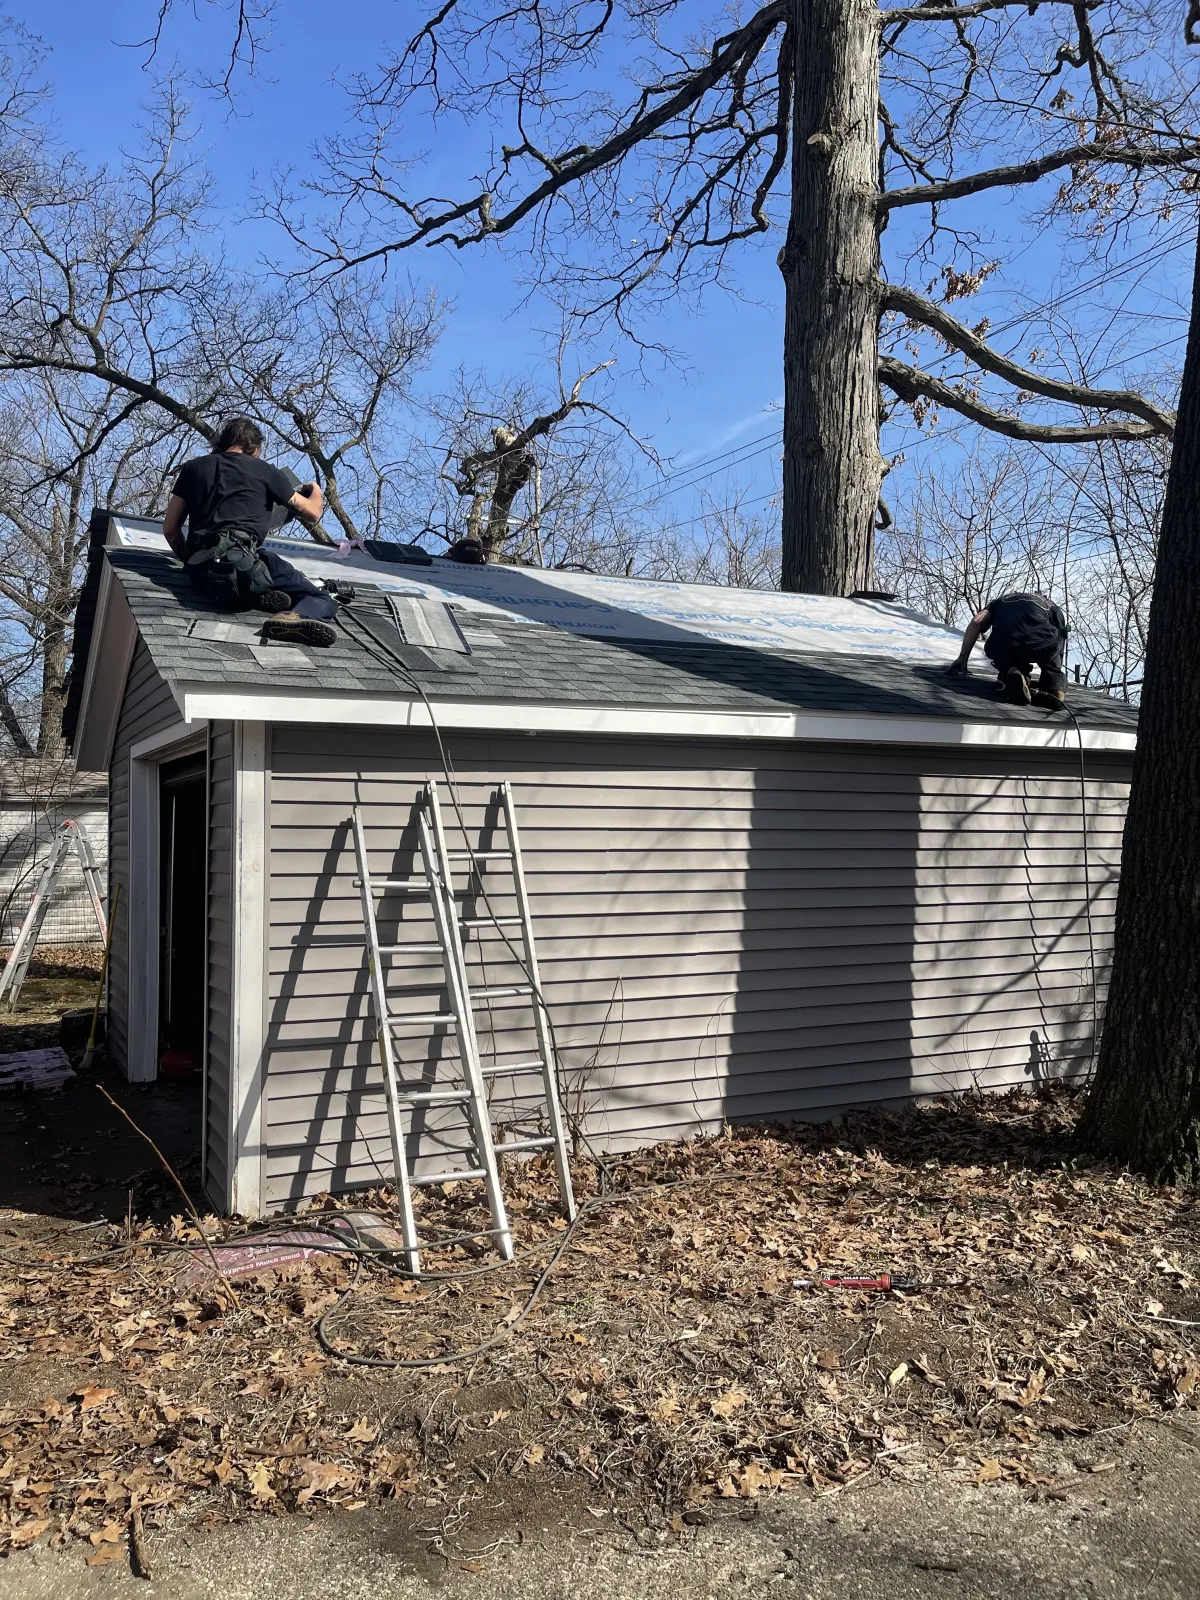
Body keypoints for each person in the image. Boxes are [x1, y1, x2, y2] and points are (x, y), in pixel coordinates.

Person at [161, 416, 338, 647]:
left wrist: (189, 562)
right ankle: (292, 616)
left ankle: (254, 593)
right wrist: (314, 488)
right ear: (253, 448)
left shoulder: (194, 468)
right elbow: (313, 512)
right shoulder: (266, 471)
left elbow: (170, 529)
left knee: (231, 574)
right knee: (318, 597)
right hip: (245, 562)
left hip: (201, 572)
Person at [945, 591, 1068, 708]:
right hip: (1039, 642)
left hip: (1001, 645)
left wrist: (963, 657)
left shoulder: (999, 601)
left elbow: (976, 621)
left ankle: (1013, 673)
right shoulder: (1050, 605)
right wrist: (1054, 673)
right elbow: (1061, 638)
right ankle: (1054, 691)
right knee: (1053, 642)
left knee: (1004, 651)